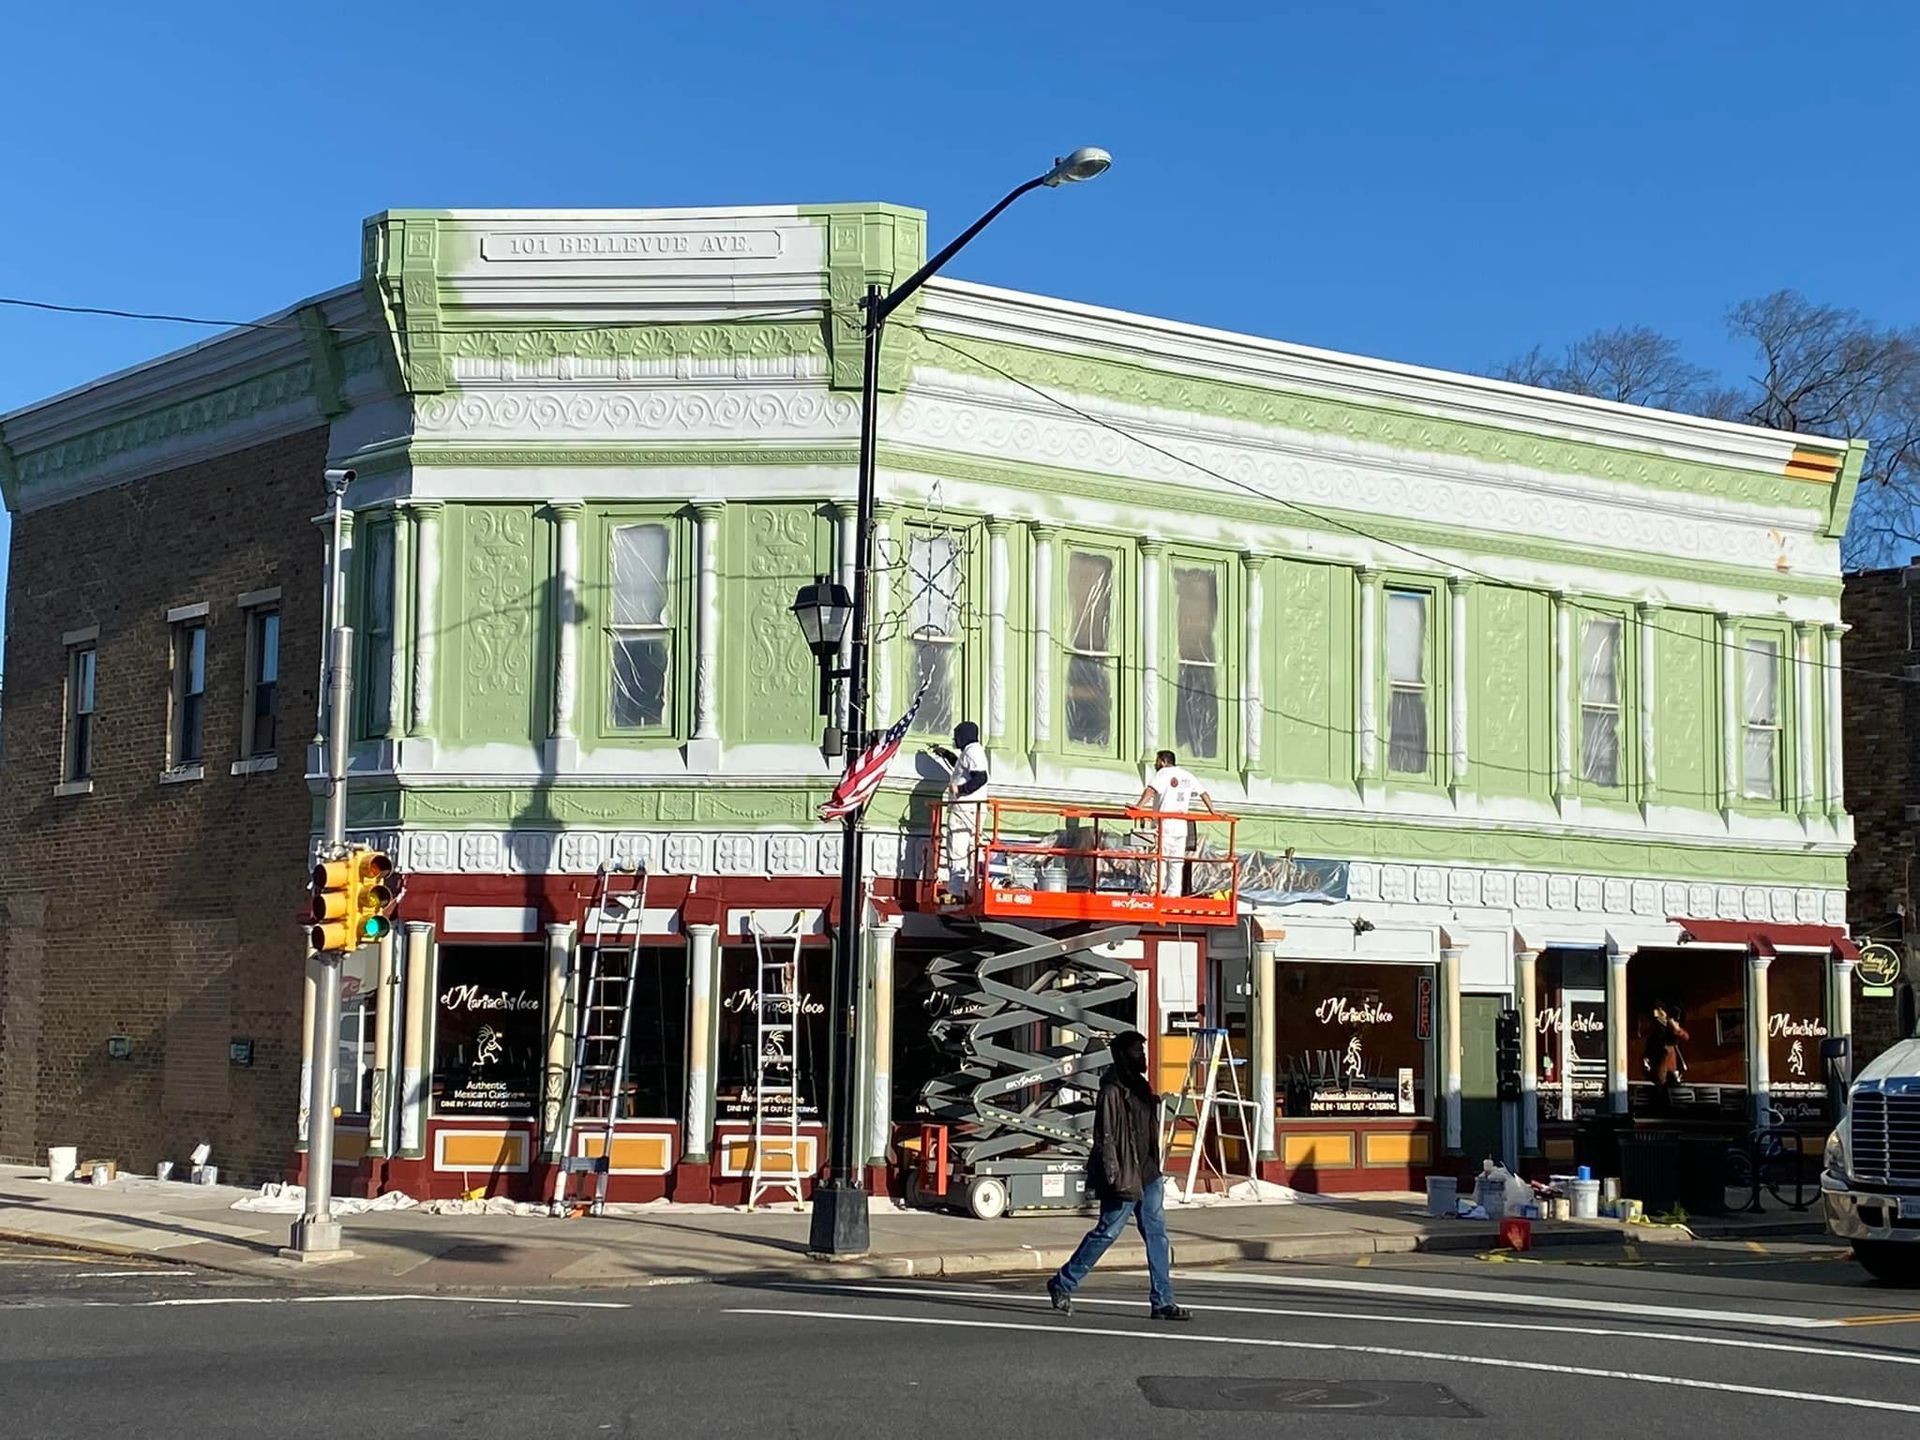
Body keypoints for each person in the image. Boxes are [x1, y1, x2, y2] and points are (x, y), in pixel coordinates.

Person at [1048, 1031, 1191, 1321]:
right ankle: (1062, 1282)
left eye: (1143, 1049)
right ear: (1123, 1056)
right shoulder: (1111, 1090)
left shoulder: (1141, 1086)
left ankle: (1163, 1302)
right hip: (1124, 1175)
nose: (1143, 1056)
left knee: (1157, 1235)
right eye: (1138, 1051)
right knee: (1107, 1232)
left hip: (1148, 1173)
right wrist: (1112, 1176)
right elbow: (1106, 1137)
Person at [1135, 750, 1215, 896]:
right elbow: (1204, 793)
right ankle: (1173, 893)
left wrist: (1138, 807)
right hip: (1180, 826)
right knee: (1176, 861)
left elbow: (1151, 790)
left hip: (1164, 825)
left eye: (1157, 761)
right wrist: (1213, 812)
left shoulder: (1163, 773)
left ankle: (1154, 891)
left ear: (1163, 762)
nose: (1155, 764)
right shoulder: (1187, 775)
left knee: (1159, 860)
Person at [930, 721, 989, 900]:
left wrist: (961, 790)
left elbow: (981, 777)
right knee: (973, 848)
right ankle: (973, 888)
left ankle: (956, 891)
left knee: (957, 848)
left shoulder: (972, 750)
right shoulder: (972, 752)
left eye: (957, 734)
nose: (955, 738)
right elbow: (965, 770)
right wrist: (947, 755)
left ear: (964, 735)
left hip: (965, 808)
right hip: (973, 809)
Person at [1642, 1003, 1690, 1112]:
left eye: (1659, 1010)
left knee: (1667, 1088)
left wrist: (1674, 1027)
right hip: (1658, 1066)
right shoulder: (1655, 1031)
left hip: (1668, 1067)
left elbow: (1683, 1036)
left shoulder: (1669, 1027)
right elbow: (1649, 1046)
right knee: (1661, 1089)